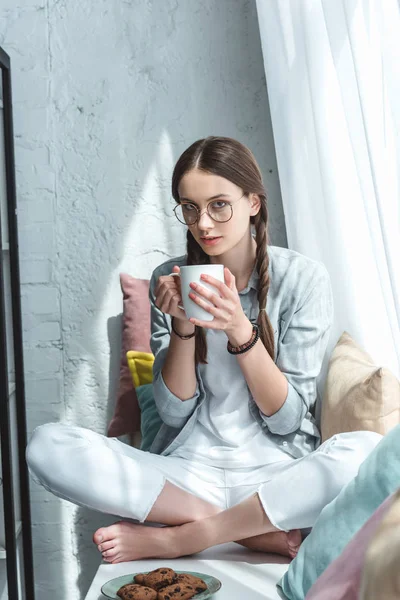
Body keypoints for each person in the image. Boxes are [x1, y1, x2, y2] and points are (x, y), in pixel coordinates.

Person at [26, 136, 381, 565]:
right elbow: (173, 414)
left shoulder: (302, 279)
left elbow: (288, 421)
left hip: (276, 474)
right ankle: (248, 531)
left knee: (366, 450)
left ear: (253, 202)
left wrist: (237, 328)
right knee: (47, 446)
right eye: (189, 207)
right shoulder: (169, 278)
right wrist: (181, 328)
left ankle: (184, 538)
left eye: (218, 205)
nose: (203, 223)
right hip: (188, 477)